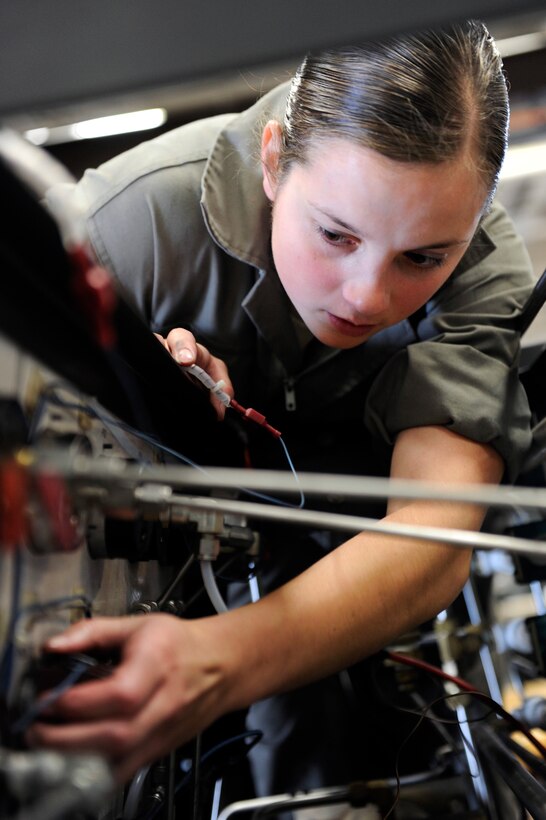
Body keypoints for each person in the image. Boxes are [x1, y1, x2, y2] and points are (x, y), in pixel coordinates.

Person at [32, 18, 533, 798]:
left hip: (353, 539)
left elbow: (432, 534)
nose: (369, 295)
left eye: (423, 257)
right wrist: (149, 402)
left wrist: (221, 660)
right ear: (272, 162)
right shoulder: (129, 228)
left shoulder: (486, 267)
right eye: (335, 234)